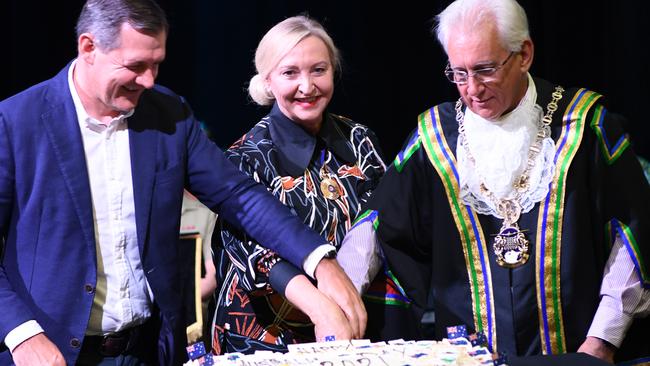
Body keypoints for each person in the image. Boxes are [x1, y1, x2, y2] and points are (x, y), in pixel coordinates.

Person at [0, 1, 365, 365]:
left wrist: (319, 261)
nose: (148, 80)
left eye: (156, 64)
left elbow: (239, 195)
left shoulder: (168, 114)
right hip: (50, 351)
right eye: (136, 66)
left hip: (146, 352)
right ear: (89, 48)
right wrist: (22, 334)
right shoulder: (16, 122)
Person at [340, 0, 649, 363]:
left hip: (577, 355)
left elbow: (633, 235)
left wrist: (602, 341)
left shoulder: (586, 128)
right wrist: (336, 306)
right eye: (458, 73)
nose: (472, 88)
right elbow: (376, 230)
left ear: (524, 55)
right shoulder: (434, 137)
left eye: (485, 69)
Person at [210, 15, 418, 355]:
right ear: (268, 80)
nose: (307, 86)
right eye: (290, 73)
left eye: (318, 70)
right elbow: (250, 251)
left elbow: (383, 218)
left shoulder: (359, 139)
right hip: (267, 336)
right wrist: (323, 307)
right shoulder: (243, 156)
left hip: (357, 323)